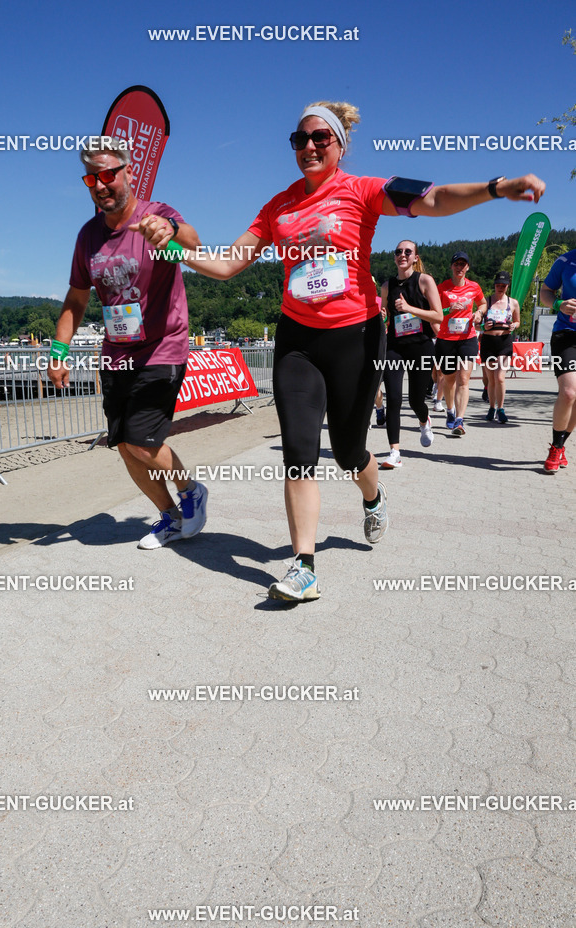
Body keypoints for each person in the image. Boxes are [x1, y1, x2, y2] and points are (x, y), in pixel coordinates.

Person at [134, 102, 545, 600]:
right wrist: (174, 243)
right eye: (298, 139)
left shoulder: (364, 189)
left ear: (338, 145)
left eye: (319, 139)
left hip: (356, 336)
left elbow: (434, 201)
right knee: (299, 452)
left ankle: (373, 496)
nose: (308, 147)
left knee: (350, 453)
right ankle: (303, 566)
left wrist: (496, 187)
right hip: (297, 341)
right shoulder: (279, 206)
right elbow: (225, 265)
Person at [48, 137, 208, 548]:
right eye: (91, 178)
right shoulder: (88, 237)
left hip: (163, 347)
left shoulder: (157, 215)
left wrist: (168, 231)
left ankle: (191, 489)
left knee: (141, 439)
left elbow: (194, 243)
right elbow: (76, 299)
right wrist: (59, 350)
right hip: (116, 353)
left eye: (107, 174)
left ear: (128, 172)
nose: (100, 185)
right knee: (122, 443)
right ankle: (169, 516)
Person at [379, 241, 443, 468]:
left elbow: (438, 316)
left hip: (421, 346)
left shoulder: (424, 280)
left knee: (416, 400)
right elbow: (386, 320)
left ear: (415, 257)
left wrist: (409, 309)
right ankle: (394, 452)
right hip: (395, 347)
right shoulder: (387, 286)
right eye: (398, 251)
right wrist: (384, 315)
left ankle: (424, 419)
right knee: (394, 398)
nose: (402, 255)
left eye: (408, 252)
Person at [436, 253, 487, 436]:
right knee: (449, 380)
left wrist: (479, 313)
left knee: (464, 379)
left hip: (467, 338)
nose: (460, 267)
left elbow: (482, 303)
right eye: (457, 264)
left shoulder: (474, 286)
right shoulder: (442, 288)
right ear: (451, 267)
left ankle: (460, 420)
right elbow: (433, 312)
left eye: (463, 264)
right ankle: (450, 411)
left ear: (467, 268)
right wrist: (449, 309)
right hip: (446, 339)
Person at [539, 249, 576, 472]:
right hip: (567, 334)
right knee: (570, 392)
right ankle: (555, 447)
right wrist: (558, 304)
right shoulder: (566, 260)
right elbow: (546, 291)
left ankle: (561, 445)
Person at [480, 270, 521, 423]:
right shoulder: (487, 301)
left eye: (503, 285)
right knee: (491, 379)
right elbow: (477, 324)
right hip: (488, 343)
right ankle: (491, 408)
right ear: (494, 285)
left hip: (504, 342)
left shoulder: (513, 302)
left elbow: (517, 321)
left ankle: (501, 409)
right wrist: (484, 326)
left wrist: (513, 326)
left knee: (500, 378)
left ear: (508, 286)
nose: (500, 287)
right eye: (498, 285)